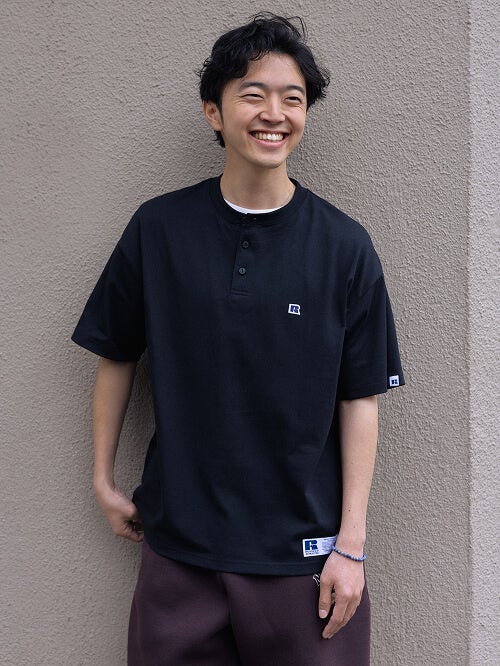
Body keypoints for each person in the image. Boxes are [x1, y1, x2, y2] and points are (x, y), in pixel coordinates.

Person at [72, 13, 404, 665]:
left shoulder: (344, 246)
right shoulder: (159, 230)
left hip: (305, 561)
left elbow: (360, 397)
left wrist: (351, 544)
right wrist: (104, 479)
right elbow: (116, 353)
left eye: (292, 98)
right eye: (253, 94)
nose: (274, 113)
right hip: (179, 552)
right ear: (214, 113)